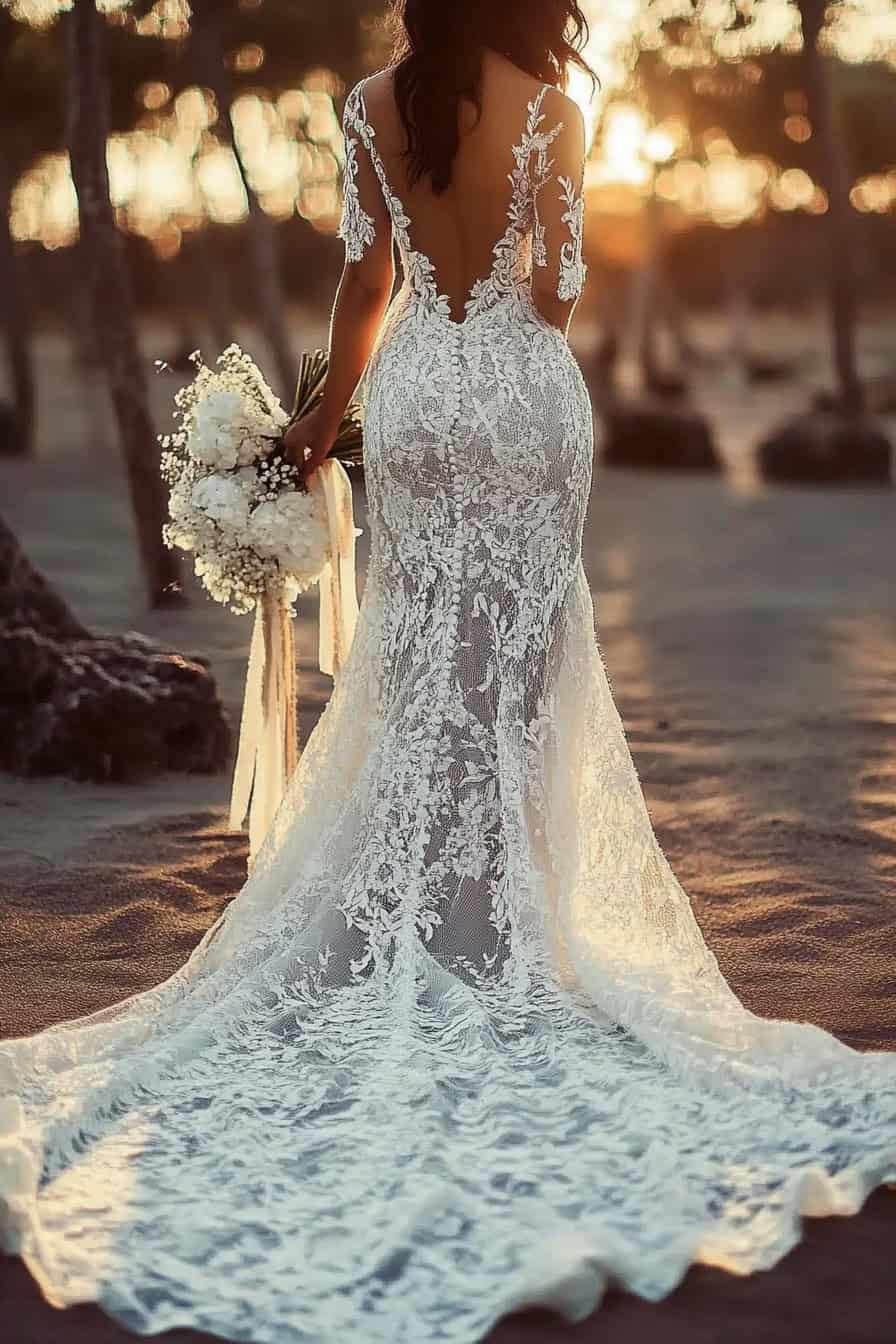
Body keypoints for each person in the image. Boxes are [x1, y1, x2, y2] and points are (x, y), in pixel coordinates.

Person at [1, 3, 893, 1341]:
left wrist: (318, 427)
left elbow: (365, 290)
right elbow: (556, 290)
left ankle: (426, 910)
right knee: (523, 650)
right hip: (527, 395)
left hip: (415, 392)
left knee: (421, 651)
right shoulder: (556, 105)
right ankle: (510, 918)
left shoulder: (371, 104)